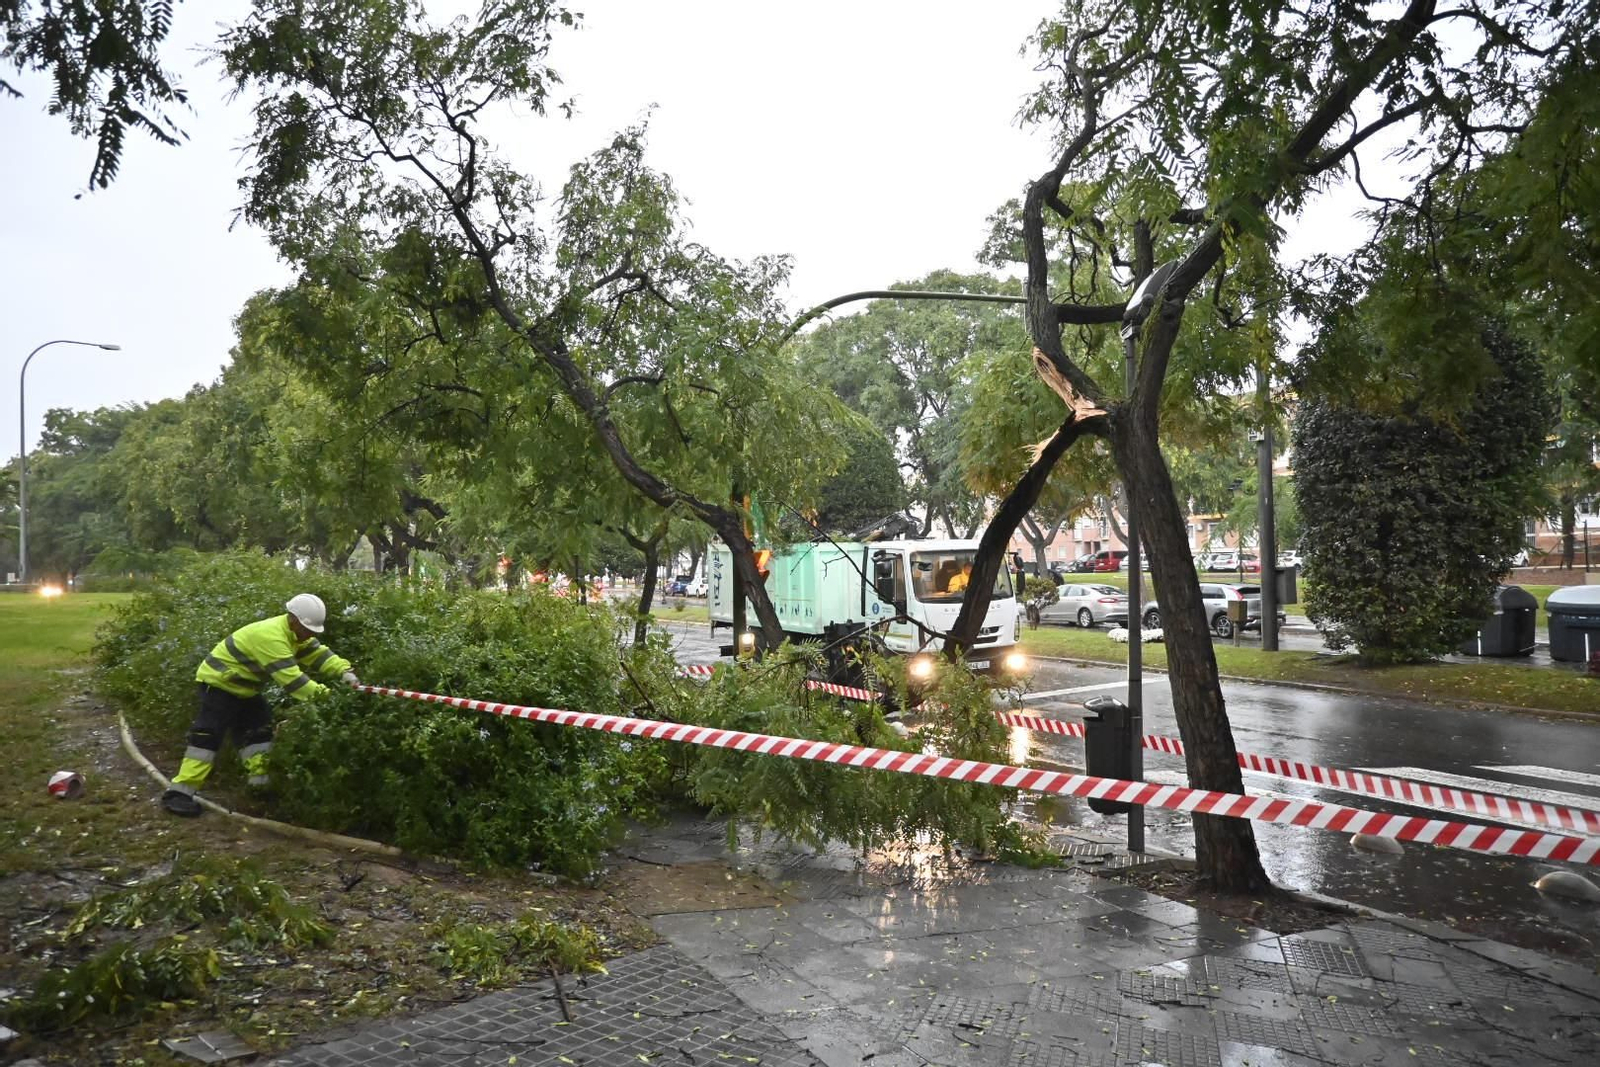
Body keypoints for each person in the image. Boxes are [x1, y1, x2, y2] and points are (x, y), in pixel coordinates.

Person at [161, 593, 359, 817]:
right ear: (293, 619)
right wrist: (331, 699)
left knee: (259, 733)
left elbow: (320, 656)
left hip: (246, 689)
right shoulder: (271, 637)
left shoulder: (297, 635)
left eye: (314, 631)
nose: (311, 635)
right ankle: (179, 793)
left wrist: (345, 671)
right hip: (218, 685)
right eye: (308, 629)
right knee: (208, 736)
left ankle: (259, 788)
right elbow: (294, 683)